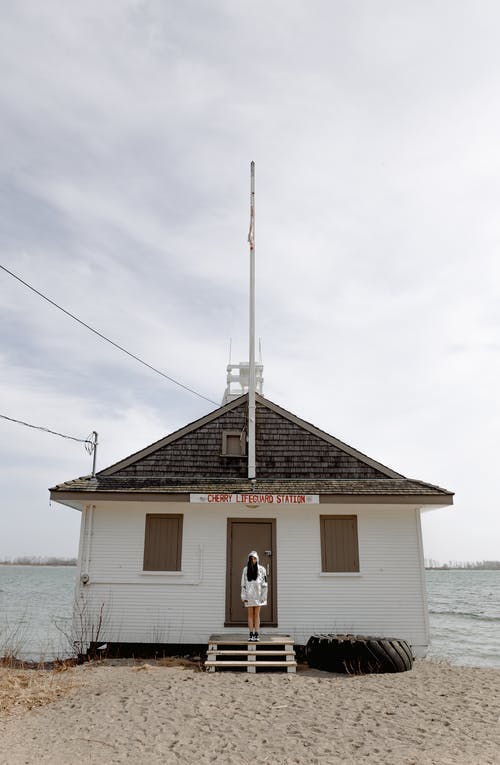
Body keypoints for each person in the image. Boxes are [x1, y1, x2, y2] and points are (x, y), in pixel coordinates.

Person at [241, 550, 268, 642]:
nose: (253, 560)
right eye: (251, 558)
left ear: (257, 559)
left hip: (258, 596)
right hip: (249, 596)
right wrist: (243, 596)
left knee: (256, 615)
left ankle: (257, 633)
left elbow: (265, 584)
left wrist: (263, 596)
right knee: (250, 615)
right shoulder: (245, 569)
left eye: (255, 558)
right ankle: (251, 633)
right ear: (249, 559)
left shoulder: (262, 569)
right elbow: (243, 584)